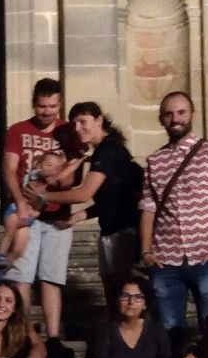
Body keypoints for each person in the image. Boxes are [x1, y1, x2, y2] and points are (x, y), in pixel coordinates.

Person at [139, 91, 208, 340]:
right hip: (166, 259)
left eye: (181, 112)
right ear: (161, 119)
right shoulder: (154, 161)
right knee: (169, 330)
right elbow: (148, 209)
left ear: (192, 115)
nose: (175, 118)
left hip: (206, 254)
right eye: (169, 114)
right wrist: (146, 252)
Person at [2, 79, 69, 336]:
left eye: (52, 106)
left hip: (57, 216)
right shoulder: (18, 131)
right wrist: (20, 202)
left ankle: (52, 337)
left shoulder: (68, 131)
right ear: (33, 104)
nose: (47, 112)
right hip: (26, 214)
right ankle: (25, 335)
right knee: (22, 277)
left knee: (52, 278)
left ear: (59, 104)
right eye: (42, 106)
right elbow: (10, 169)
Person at [61, 103, 145, 282]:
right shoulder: (108, 149)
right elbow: (113, 198)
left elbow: (83, 194)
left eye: (82, 122)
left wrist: (44, 196)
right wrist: (80, 215)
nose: (77, 128)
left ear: (99, 121)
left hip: (123, 235)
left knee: (121, 289)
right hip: (113, 231)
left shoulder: (107, 149)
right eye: (74, 124)